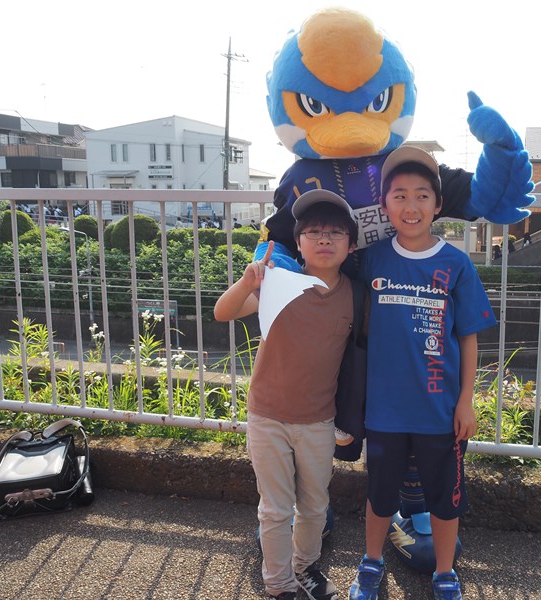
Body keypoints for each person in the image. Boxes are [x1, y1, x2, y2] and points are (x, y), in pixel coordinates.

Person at [349, 147, 496, 600]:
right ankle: (371, 563)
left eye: (421, 196)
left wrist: (466, 400)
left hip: (440, 412)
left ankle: (445, 573)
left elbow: (468, 337)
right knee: (380, 496)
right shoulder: (372, 259)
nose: (410, 206)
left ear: (437, 205)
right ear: (385, 205)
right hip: (384, 411)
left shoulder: (456, 264)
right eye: (399, 196)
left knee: (445, 500)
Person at [214, 188, 359, 600]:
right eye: (313, 232)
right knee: (275, 509)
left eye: (335, 232)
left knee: (315, 506)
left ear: (351, 245)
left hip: (319, 419)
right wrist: (247, 281)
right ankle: (278, 585)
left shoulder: (356, 294)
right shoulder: (277, 282)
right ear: (298, 243)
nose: (324, 239)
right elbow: (223, 312)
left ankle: (305, 568)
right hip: (268, 415)